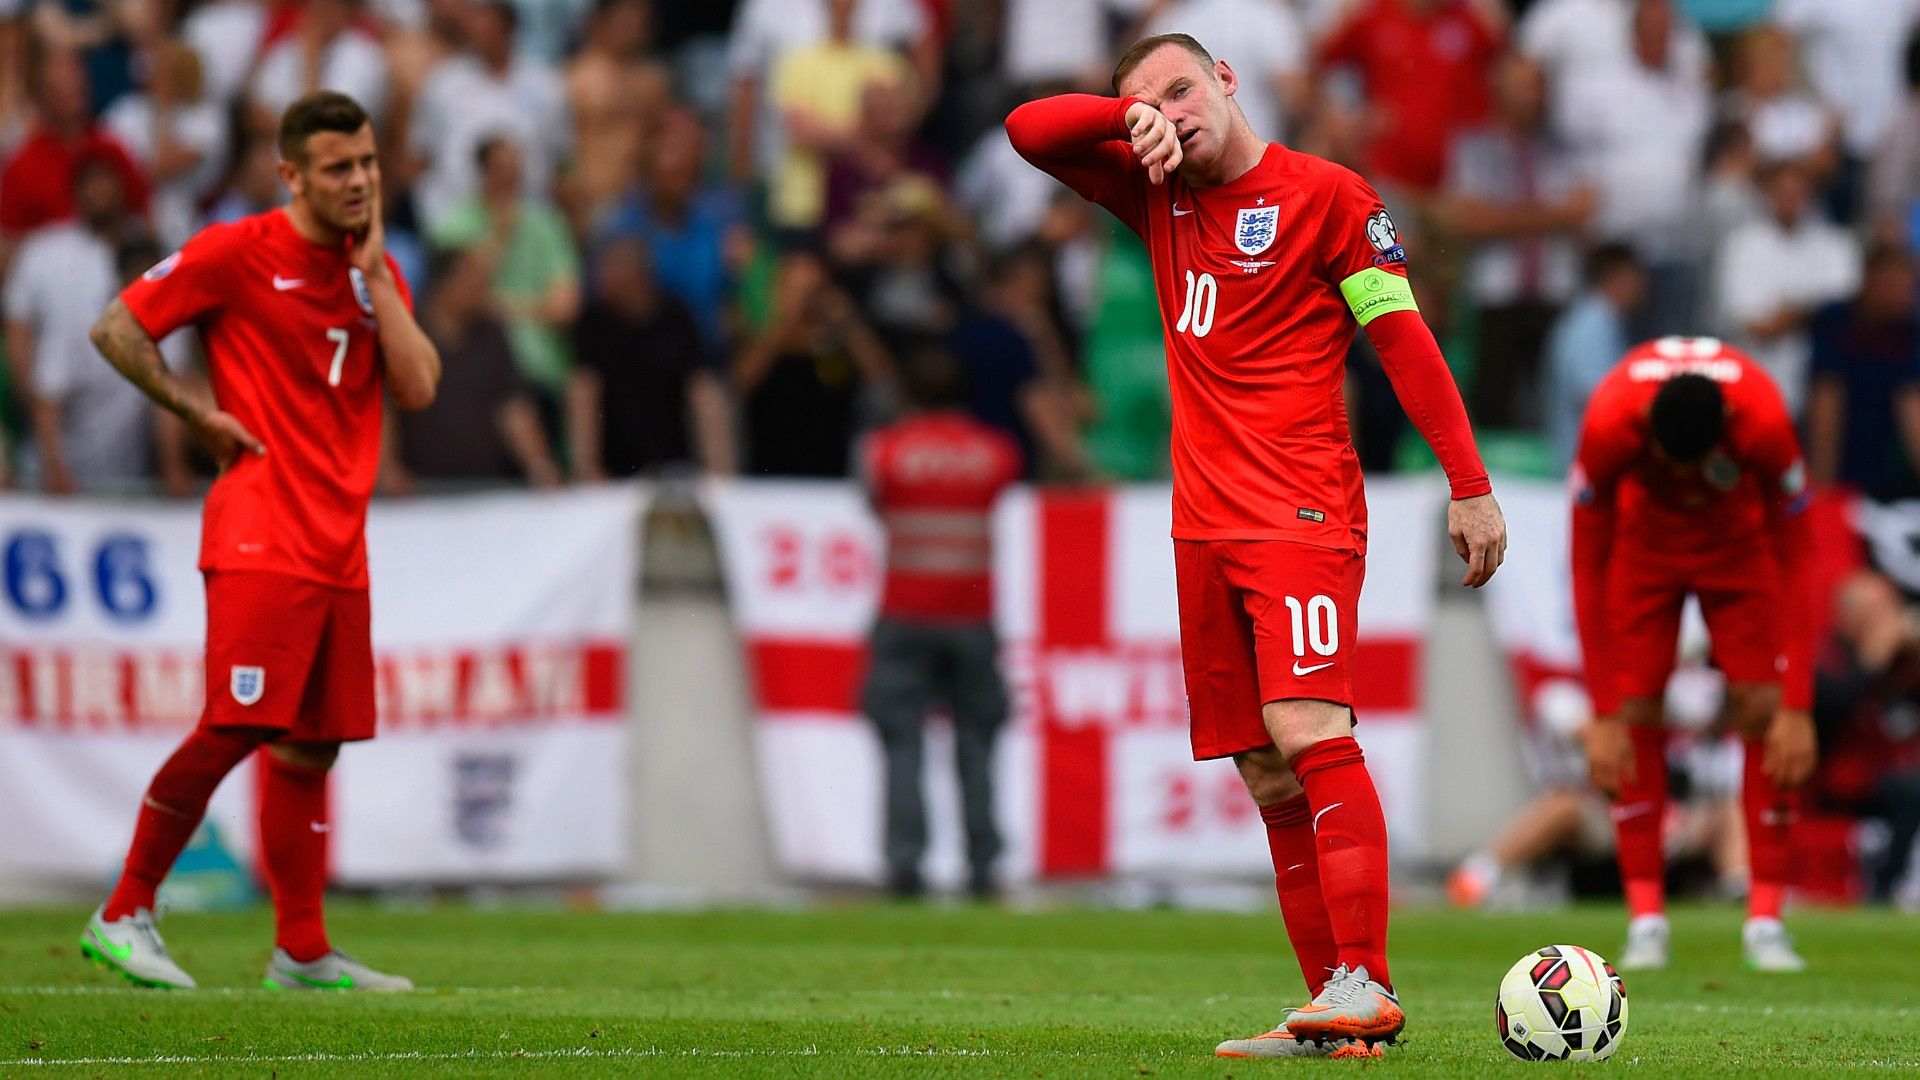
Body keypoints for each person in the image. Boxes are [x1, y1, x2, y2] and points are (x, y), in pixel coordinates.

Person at [1006, 32, 1507, 1059]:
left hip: (1302, 510)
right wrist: (1123, 121)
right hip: (1201, 523)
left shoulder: (1329, 197)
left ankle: (1364, 982)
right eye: (1150, 102)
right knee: (1265, 770)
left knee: (1304, 723)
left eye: (1182, 90)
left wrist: (1470, 485)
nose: (1172, 113)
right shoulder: (1152, 191)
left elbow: (1401, 338)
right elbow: (1027, 129)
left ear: (1229, 81)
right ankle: (1334, 1009)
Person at [80, 91, 440, 991]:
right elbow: (117, 326)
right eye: (336, 168)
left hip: (338, 541)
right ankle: (124, 909)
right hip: (262, 528)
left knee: (312, 744)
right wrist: (196, 412)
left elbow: (419, 386)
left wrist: (380, 281)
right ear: (290, 174)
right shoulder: (237, 252)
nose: (357, 181)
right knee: (240, 719)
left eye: (366, 164)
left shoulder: (372, 271)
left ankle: (303, 950)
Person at [1571, 337, 1819, 973]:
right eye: (1667, 462)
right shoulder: (1608, 419)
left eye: (1696, 463)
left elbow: (1800, 554)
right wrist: (1600, 709)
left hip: (1738, 548)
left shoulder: (1762, 417)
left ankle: (1765, 918)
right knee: (1633, 714)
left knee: (1764, 711)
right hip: (1644, 550)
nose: (1682, 477)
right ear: (1644, 432)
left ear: (1727, 434)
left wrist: (1800, 703)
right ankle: (1646, 918)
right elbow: (1586, 563)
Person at [859, 344, 1023, 900]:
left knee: (901, 742)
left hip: (903, 612)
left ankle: (904, 867)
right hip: (972, 617)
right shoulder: (994, 452)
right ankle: (983, 868)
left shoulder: (884, 450)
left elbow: (874, 500)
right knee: (978, 742)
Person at [3, 156, 163, 494]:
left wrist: (170, 465)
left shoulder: (144, 251)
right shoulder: (46, 252)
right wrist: (53, 466)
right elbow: (41, 379)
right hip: (56, 471)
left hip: (131, 474)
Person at [393, 245, 560, 488]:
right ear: (446, 284)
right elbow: (385, 409)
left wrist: (539, 465)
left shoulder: (492, 335)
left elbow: (513, 408)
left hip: (487, 488)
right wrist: (388, 469)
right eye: (473, 281)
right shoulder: (407, 336)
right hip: (420, 491)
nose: (483, 290)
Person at [1805, 243, 1920, 500]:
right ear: (1872, 282)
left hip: (1886, 479)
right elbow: (1827, 407)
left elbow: (1912, 408)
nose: (1907, 297)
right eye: (1899, 287)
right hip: (1838, 475)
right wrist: (1824, 491)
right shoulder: (1835, 321)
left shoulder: (1907, 330)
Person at [1541, 243, 1647, 470]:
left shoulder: (1599, 321)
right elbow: (1594, 397)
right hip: (1581, 465)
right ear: (1620, 277)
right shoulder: (1591, 327)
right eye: (1638, 277)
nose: (1643, 286)